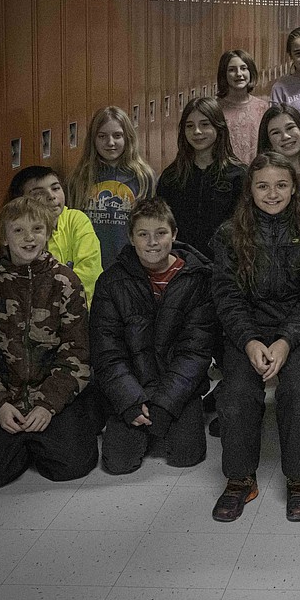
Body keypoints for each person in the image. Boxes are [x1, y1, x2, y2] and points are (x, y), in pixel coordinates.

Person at [208, 152, 300, 522]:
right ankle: (240, 478)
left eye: (282, 185)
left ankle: (299, 479)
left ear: (295, 188)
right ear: (250, 190)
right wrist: (249, 340)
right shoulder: (229, 234)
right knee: (235, 393)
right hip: (246, 328)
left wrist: (285, 341)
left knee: (297, 391)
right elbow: (226, 297)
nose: (273, 193)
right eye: (263, 186)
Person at [0, 196, 96, 490]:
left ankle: (35, 437)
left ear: (48, 234)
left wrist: (47, 405)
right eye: (18, 230)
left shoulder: (65, 282)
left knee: (73, 466)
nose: (29, 237)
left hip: (50, 393)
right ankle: (19, 440)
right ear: (5, 236)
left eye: (37, 229)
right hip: (5, 395)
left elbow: (77, 354)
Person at [90, 198, 217, 473]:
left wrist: (164, 404)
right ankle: (137, 421)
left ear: (174, 234)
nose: (152, 242)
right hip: (132, 384)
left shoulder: (197, 279)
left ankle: (165, 419)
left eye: (161, 233)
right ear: (131, 238)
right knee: (118, 463)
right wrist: (130, 401)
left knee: (187, 455)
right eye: (143, 235)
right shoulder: (111, 282)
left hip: (178, 389)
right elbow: (107, 352)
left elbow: (195, 352)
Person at [66, 106, 156, 268]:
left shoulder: (144, 177)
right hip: (89, 264)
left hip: (131, 265)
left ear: (127, 137)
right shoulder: (79, 178)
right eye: (102, 136)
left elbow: (152, 225)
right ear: (93, 140)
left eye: (117, 135)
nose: (110, 143)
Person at [157, 96, 247, 256]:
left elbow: (244, 226)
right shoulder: (172, 176)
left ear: (218, 127)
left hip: (224, 265)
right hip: (181, 264)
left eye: (204, 124)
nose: (197, 132)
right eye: (190, 126)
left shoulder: (238, 175)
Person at [8, 165, 102, 307]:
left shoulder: (76, 220)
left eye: (56, 188)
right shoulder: (20, 233)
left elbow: (89, 274)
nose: (51, 196)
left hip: (77, 311)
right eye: (38, 193)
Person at [216, 49, 270, 165]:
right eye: (232, 70)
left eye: (244, 68)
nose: (239, 74)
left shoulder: (263, 107)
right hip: (225, 173)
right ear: (223, 74)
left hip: (257, 171)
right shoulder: (215, 109)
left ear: (251, 72)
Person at [258, 103, 300, 173]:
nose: (285, 136)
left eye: (290, 128)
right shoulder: (263, 176)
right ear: (268, 142)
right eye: (276, 132)